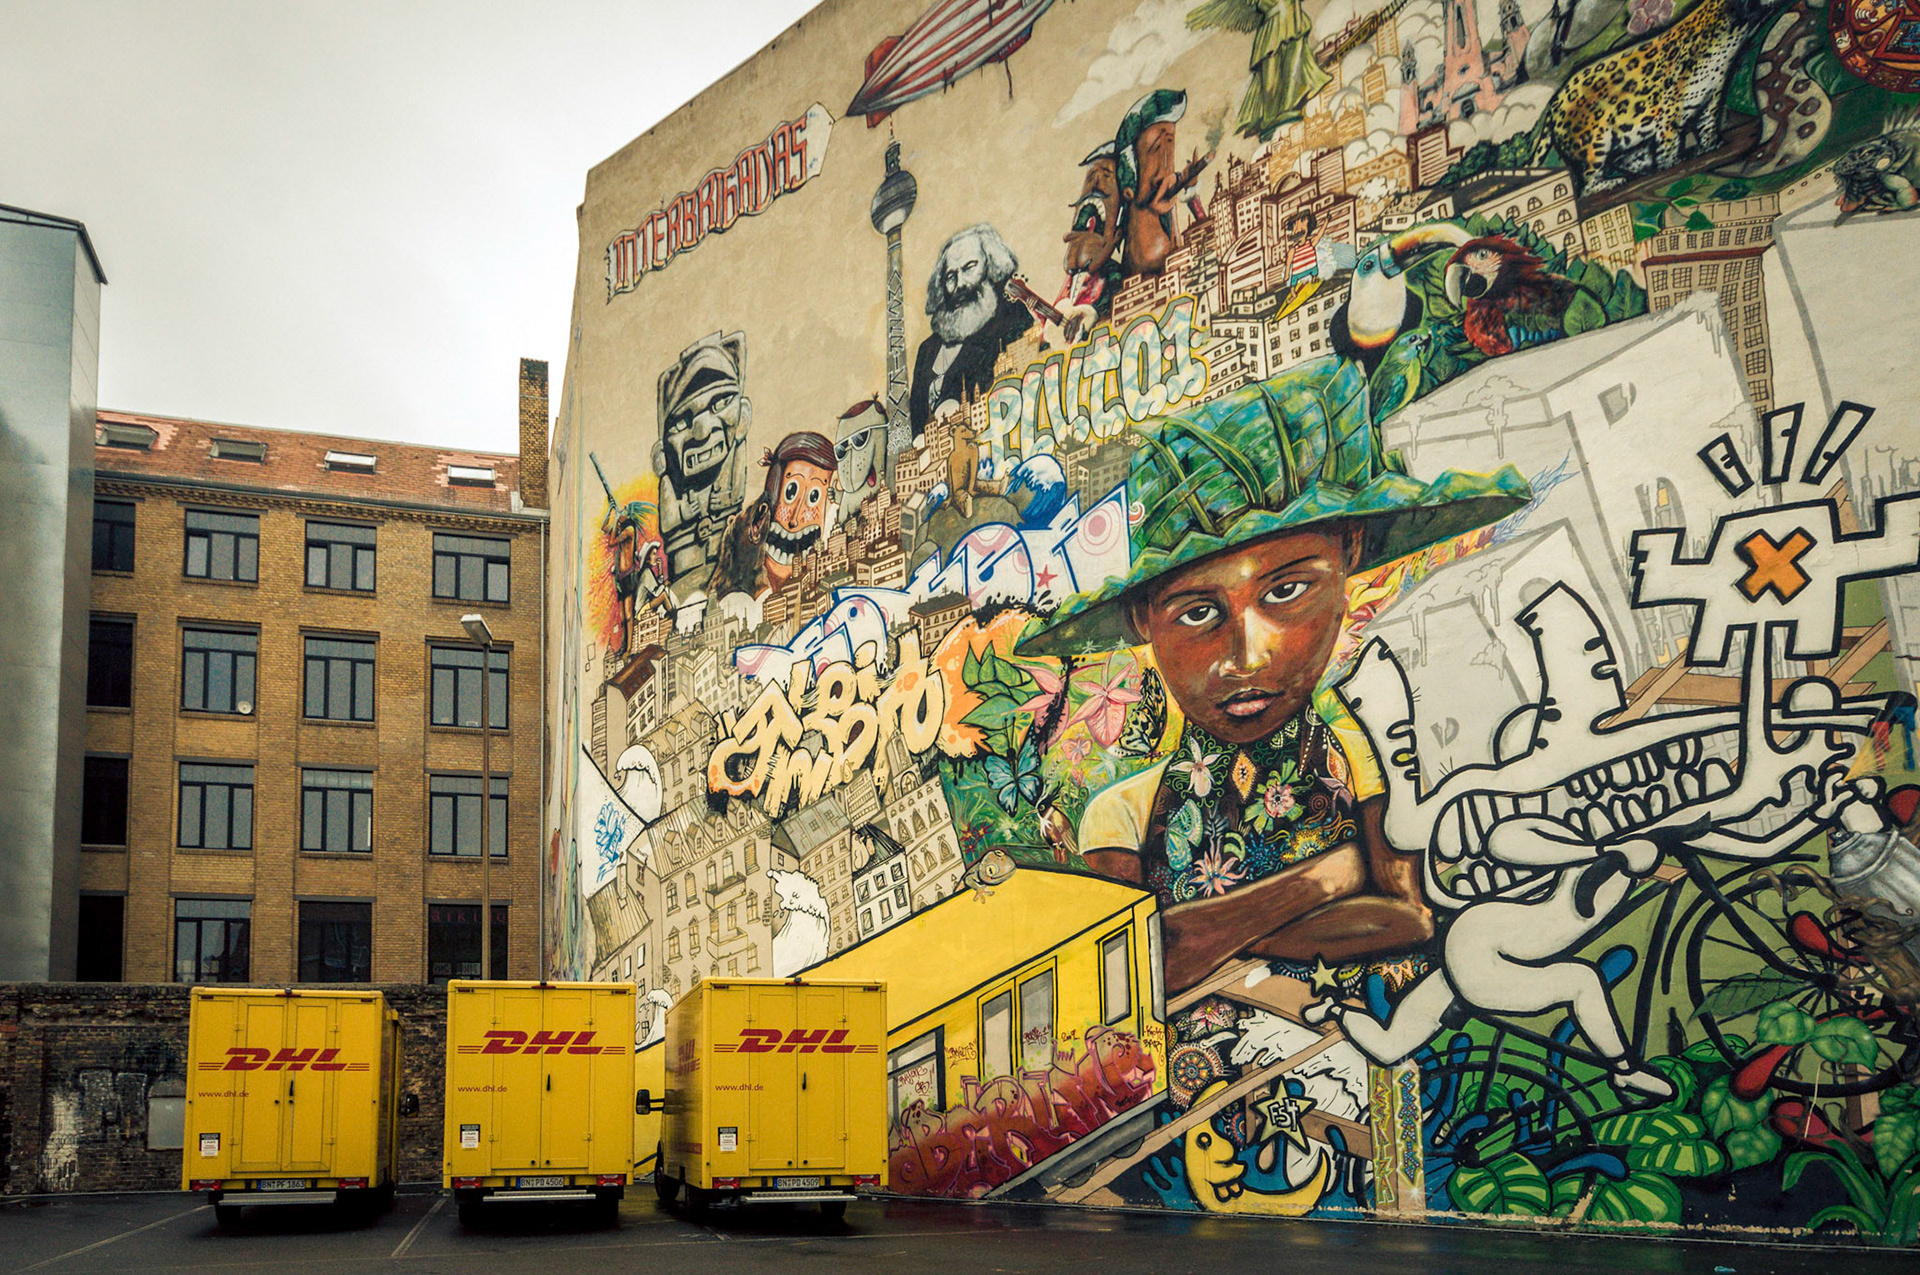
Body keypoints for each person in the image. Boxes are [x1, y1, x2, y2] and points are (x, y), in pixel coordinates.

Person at [1017, 357, 1530, 997]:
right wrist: (1331, 878)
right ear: (1144, 619)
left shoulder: (1362, 757)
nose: (1247, 658)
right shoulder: (1121, 815)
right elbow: (1132, 975)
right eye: (1198, 613)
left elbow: (1409, 919)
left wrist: (1208, 932)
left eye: (1286, 591)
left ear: (1349, 556)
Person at [910, 224, 1032, 435]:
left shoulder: (1012, 317)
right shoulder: (927, 350)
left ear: (991, 266)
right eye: (950, 276)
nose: (960, 284)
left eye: (969, 268)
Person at [655, 332, 752, 584]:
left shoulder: (735, 455)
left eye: (719, 403)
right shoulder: (668, 483)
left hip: (725, 559)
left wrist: (727, 499)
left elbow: (736, 493)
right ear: (662, 454)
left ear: (743, 416)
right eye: (681, 422)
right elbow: (667, 521)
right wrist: (684, 511)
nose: (702, 431)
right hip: (684, 561)